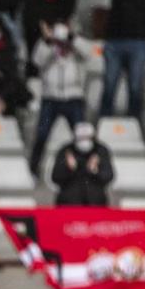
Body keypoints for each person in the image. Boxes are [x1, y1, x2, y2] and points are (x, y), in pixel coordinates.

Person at [28, 19, 89, 178]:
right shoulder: (47, 45)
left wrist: (71, 37)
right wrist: (49, 41)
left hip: (74, 97)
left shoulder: (76, 46)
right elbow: (37, 60)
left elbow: (89, 53)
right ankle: (33, 170)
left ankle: (83, 169)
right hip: (51, 97)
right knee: (42, 135)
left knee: (80, 136)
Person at [52, 122, 115, 206]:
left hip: (95, 203)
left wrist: (94, 171)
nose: (84, 141)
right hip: (69, 203)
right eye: (81, 138)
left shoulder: (100, 150)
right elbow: (55, 177)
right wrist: (69, 169)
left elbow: (108, 176)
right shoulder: (66, 150)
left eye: (87, 137)